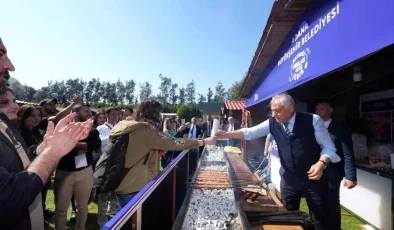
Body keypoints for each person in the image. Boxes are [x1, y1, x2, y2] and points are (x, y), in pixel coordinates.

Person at [215, 93, 340, 229]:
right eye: (272, 110)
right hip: (289, 179)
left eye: (277, 111)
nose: (274, 115)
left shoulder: (313, 120)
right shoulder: (272, 122)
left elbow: (329, 147)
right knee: (288, 217)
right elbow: (250, 132)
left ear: (290, 109)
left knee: (319, 219)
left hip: (314, 180)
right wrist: (226, 134)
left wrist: (321, 163)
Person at [101, 99, 216, 208]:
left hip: (122, 181)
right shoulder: (146, 131)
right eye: (159, 113)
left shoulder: (129, 124)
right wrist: (203, 141)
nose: (160, 117)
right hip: (134, 185)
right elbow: (174, 142)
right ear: (153, 113)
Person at [54, 104, 101, 230]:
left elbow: (95, 145)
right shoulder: (64, 127)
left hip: (84, 172)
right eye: (85, 111)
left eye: (89, 111)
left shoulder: (92, 130)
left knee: (82, 206)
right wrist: (81, 145)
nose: (89, 113)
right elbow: (58, 144)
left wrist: (71, 142)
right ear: (75, 112)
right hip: (64, 172)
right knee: (61, 208)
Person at [316, 102, 357, 230]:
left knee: (331, 203)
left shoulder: (340, 129)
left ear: (330, 110)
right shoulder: (314, 127)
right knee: (317, 202)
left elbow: (348, 153)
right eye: (317, 109)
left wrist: (350, 176)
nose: (318, 111)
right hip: (316, 172)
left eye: (321, 108)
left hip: (332, 173)